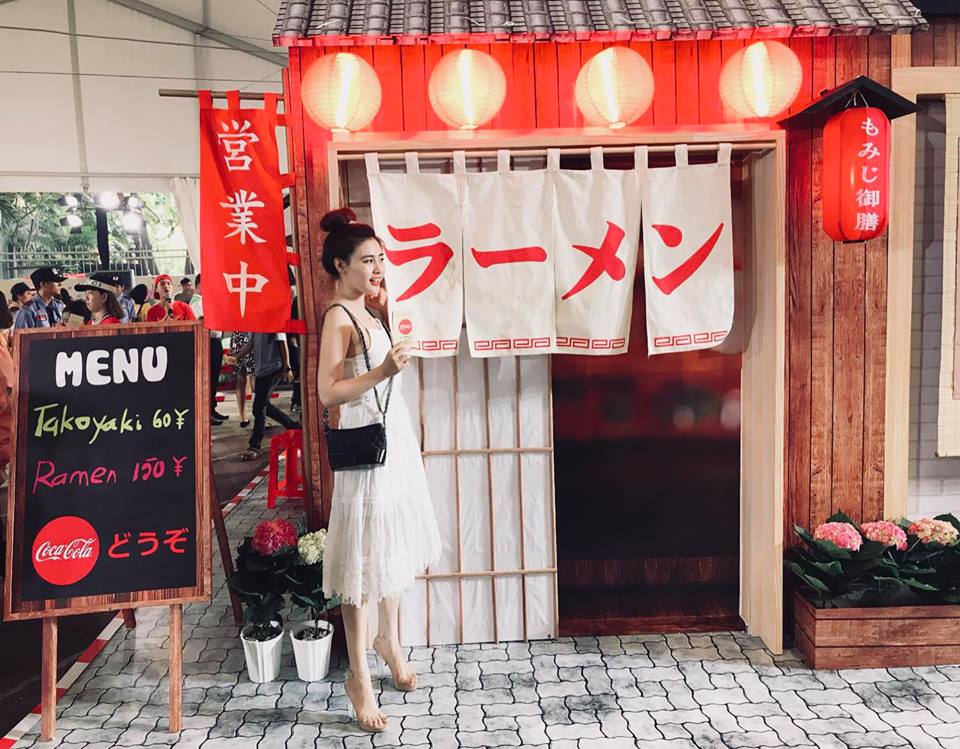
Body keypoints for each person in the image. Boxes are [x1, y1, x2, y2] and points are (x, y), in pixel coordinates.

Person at [316, 208, 441, 733]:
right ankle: (359, 678)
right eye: (368, 260)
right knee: (362, 566)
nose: (379, 268)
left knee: (389, 549)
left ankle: (389, 640)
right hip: (365, 450)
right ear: (340, 265)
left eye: (381, 259)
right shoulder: (338, 317)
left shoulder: (368, 310)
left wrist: (385, 317)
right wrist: (383, 369)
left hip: (392, 442)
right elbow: (328, 392)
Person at [237, 332, 299, 459]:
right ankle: (293, 426)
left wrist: (287, 367)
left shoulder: (273, 323)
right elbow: (250, 344)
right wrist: (237, 357)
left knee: (259, 408)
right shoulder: (256, 325)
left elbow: (282, 342)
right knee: (265, 406)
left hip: (273, 369)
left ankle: (255, 445)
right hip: (261, 371)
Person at [189, 275, 229, 424]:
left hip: (215, 341)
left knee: (214, 378)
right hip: (208, 342)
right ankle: (208, 412)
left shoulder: (206, 301)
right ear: (198, 287)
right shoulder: (197, 303)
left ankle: (212, 408)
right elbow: (205, 322)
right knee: (209, 378)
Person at [228, 332, 255, 428]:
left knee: (241, 376)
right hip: (250, 334)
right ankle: (260, 415)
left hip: (237, 336)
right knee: (254, 375)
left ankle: (243, 417)